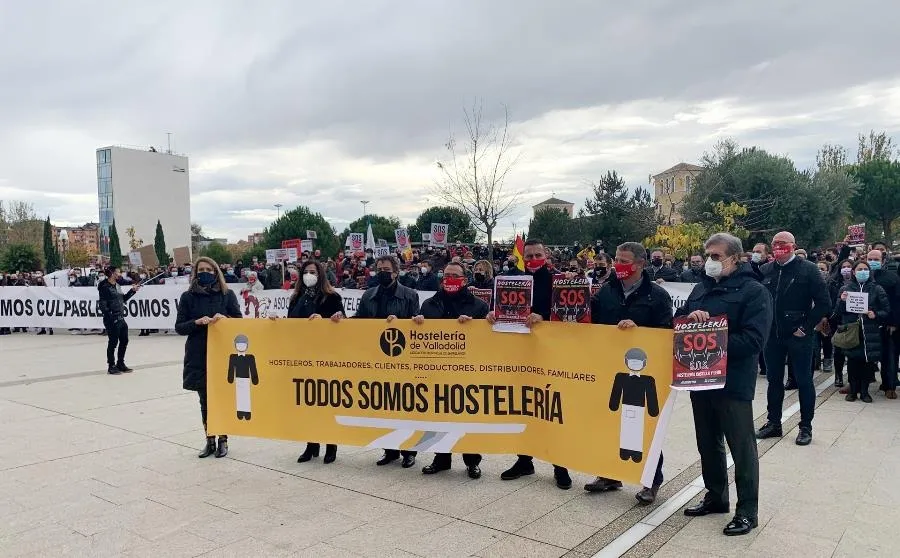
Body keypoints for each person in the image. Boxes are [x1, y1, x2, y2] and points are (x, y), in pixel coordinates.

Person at [678, 233, 772, 537]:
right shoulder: (699, 289)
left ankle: (747, 512)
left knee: (741, 447)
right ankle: (715, 497)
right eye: (708, 255)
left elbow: (755, 340)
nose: (710, 261)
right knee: (708, 444)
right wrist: (691, 319)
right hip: (699, 379)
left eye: (716, 256)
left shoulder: (754, 292)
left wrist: (713, 338)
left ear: (735, 258)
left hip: (733, 382)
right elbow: (678, 324)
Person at [585, 242, 673, 504]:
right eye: (616, 259)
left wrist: (639, 331)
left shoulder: (657, 296)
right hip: (608, 366)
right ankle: (609, 474)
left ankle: (651, 480)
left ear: (639, 264)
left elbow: (666, 332)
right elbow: (591, 323)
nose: (617, 265)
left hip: (644, 369)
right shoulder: (605, 292)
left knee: (645, 428)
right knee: (608, 422)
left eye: (623, 261)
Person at [487, 238, 572, 490]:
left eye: (538, 254)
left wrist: (543, 318)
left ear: (546, 255)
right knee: (522, 406)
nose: (534, 259)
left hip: (550, 354)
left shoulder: (560, 280)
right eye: (529, 255)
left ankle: (560, 465)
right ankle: (524, 460)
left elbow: (569, 316)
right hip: (519, 354)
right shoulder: (510, 279)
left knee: (551, 408)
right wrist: (492, 314)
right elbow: (497, 308)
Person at [413, 262, 489, 479]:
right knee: (438, 416)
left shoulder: (478, 306)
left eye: (455, 275)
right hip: (436, 372)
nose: (450, 279)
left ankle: (472, 460)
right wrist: (417, 323)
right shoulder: (429, 304)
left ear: (465, 280)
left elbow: (488, 341)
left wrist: (475, 326)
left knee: (467, 418)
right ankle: (441, 458)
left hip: (466, 374)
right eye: (446, 275)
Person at [757, 231, 830, 446]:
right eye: (775, 244)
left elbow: (824, 303)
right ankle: (773, 423)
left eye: (783, 244)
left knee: (804, 381)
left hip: (799, 336)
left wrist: (806, 327)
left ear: (793, 245)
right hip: (773, 336)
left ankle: (805, 427)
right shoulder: (766, 270)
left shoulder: (808, 270)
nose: (779, 247)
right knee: (773, 381)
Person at [350, 255, 421, 468]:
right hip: (376, 359)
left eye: (387, 269)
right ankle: (390, 450)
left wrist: (405, 323)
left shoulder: (410, 295)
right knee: (383, 406)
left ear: (396, 272)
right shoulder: (368, 295)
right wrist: (341, 320)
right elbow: (359, 321)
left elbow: (416, 323)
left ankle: (409, 451)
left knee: (405, 407)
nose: (382, 271)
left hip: (402, 359)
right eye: (379, 268)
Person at [271, 260, 345, 463]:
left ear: (320, 274)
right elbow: (290, 327)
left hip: (325, 357)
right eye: (306, 272)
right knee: (307, 403)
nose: (309, 275)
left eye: (313, 272)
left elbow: (343, 325)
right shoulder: (296, 298)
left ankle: (331, 444)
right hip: (302, 357)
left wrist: (328, 320)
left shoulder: (332, 297)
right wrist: (277, 324)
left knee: (327, 402)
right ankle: (311, 444)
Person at [175, 257, 243, 459]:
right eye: (201, 269)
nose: (205, 272)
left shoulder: (226, 294)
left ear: (216, 272)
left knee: (220, 399)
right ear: (195, 273)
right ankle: (209, 439)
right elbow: (179, 327)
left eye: (209, 269)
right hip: (198, 353)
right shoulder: (187, 297)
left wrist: (225, 320)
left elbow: (239, 321)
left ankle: (223, 439)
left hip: (221, 353)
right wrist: (196, 322)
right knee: (204, 400)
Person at [831, 260, 890, 403]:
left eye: (865, 269)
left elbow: (886, 311)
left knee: (867, 362)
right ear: (854, 272)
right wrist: (842, 300)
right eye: (859, 269)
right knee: (852, 361)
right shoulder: (846, 288)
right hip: (852, 331)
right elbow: (838, 312)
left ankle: (864, 391)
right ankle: (853, 390)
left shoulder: (877, 289)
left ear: (869, 272)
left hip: (870, 332)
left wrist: (875, 314)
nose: (862, 272)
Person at [865, 249, 900, 399]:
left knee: (889, 355)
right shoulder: (863, 275)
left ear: (882, 260)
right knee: (864, 355)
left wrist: (894, 322)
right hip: (867, 322)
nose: (873, 262)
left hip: (887, 323)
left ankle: (889, 385)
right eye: (870, 259)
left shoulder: (892, 278)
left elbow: (897, 301)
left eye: (876, 259)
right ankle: (860, 384)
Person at [97, 266, 140, 375]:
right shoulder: (104, 287)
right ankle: (111, 365)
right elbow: (103, 305)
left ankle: (120, 363)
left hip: (121, 317)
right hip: (112, 318)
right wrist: (111, 316)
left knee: (124, 340)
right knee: (113, 342)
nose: (120, 274)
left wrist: (132, 291)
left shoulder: (117, 286)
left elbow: (123, 299)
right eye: (118, 272)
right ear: (112, 273)